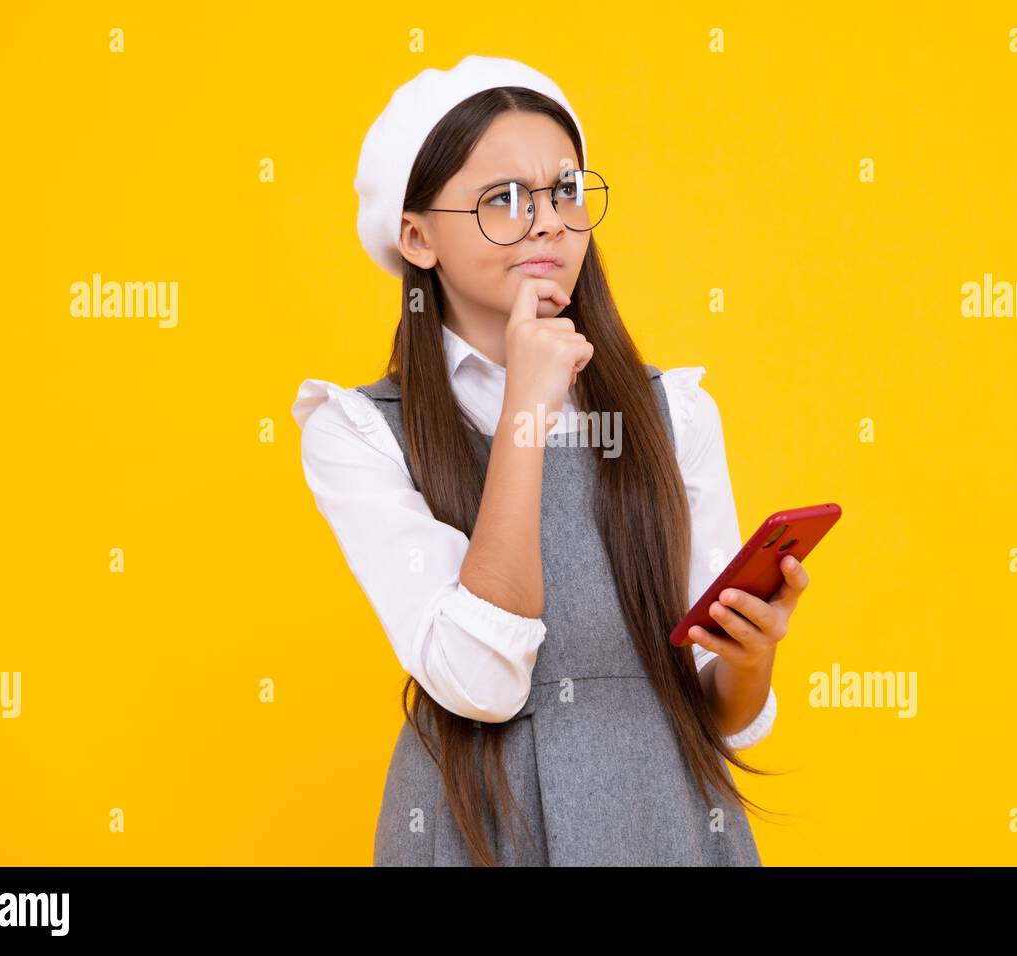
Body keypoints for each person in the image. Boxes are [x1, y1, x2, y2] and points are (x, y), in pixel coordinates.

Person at [291, 54, 810, 866]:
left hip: (667, 817)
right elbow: (483, 683)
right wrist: (525, 411)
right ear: (416, 236)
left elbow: (719, 713)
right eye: (502, 199)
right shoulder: (355, 431)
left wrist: (752, 655)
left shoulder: (675, 412)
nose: (547, 222)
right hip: (481, 828)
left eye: (566, 191)